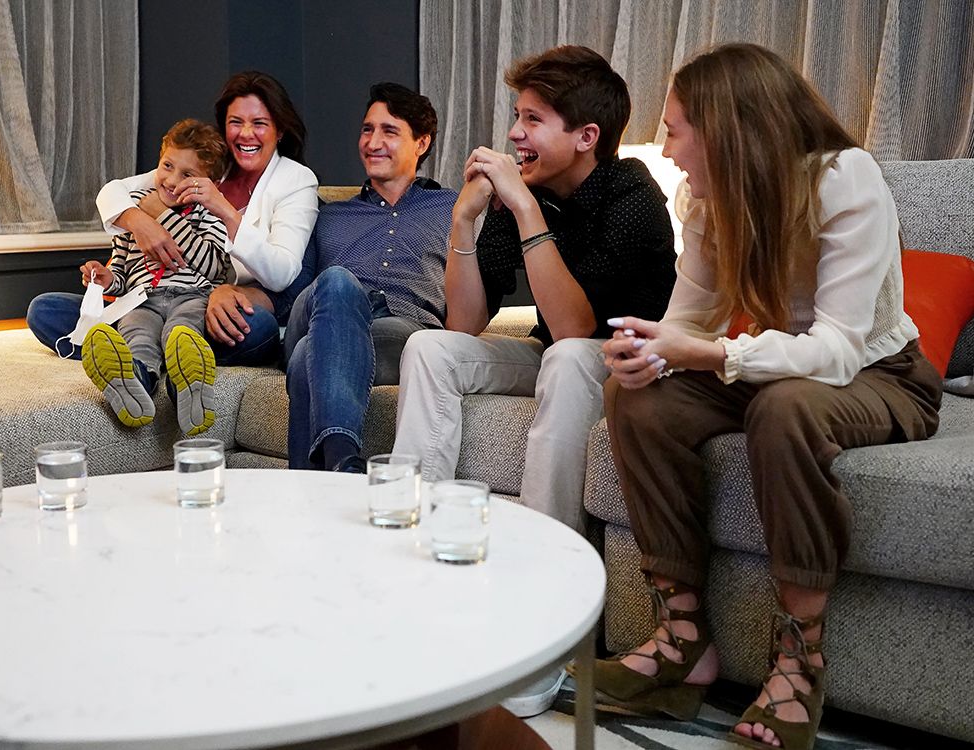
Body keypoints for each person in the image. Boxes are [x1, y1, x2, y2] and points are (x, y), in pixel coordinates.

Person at [591, 44, 942, 750]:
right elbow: (688, 321)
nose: (668, 147)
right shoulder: (712, 199)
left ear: (726, 126)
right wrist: (647, 353)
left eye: (676, 128)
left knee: (784, 408)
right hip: (777, 365)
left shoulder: (847, 179)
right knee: (640, 402)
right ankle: (683, 642)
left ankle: (799, 661)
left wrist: (716, 353)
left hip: (880, 374)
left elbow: (838, 348)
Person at [392, 45, 677, 716]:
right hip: (562, 355)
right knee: (431, 349)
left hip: (635, 368)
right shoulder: (524, 194)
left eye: (534, 119)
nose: (515, 134)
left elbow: (578, 329)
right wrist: (464, 218)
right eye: (516, 116)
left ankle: (544, 607)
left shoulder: (633, 195)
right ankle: (415, 568)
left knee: (570, 357)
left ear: (586, 138)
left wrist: (524, 211)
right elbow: (463, 323)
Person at [27, 71, 319, 366]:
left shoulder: (296, 180)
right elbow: (115, 191)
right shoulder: (205, 162)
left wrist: (223, 211)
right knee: (45, 310)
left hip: (209, 307)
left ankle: (138, 351)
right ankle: (155, 350)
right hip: (149, 302)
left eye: (259, 123)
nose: (246, 134)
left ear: (279, 130)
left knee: (258, 328)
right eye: (235, 122)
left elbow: (282, 274)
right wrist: (139, 222)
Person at [284, 82, 455, 473]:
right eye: (367, 129)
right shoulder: (327, 214)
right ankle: (344, 458)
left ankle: (315, 485)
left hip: (400, 333)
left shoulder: (454, 208)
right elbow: (292, 298)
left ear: (422, 142)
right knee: (339, 283)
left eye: (389, 131)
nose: (373, 141)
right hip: (318, 311)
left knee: (303, 358)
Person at [79, 119, 229, 435]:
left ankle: (190, 384)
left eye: (187, 175)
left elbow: (213, 265)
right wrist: (106, 278)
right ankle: (133, 383)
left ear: (208, 182)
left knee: (181, 333)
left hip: (192, 296)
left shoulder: (209, 215)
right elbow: (121, 271)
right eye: (167, 166)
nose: (171, 180)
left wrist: (164, 216)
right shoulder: (132, 212)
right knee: (137, 336)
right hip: (142, 300)